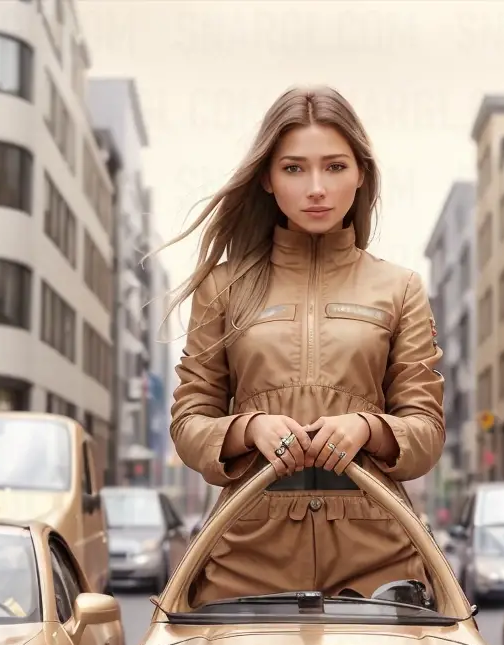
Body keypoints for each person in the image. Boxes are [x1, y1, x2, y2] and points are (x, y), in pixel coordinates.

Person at [166, 86, 445, 605]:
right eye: (294, 168)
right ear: (268, 180)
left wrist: (368, 428)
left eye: (335, 167)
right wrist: (249, 429)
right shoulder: (221, 288)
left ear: (361, 174)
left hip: (379, 560)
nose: (316, 188)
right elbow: (189, 424)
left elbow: (426, 432)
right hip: (245, 557)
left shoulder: (399, 287)